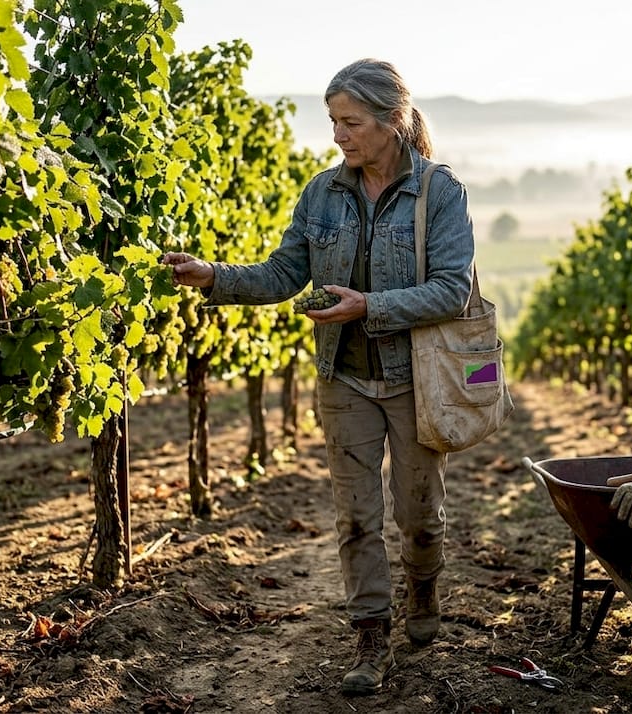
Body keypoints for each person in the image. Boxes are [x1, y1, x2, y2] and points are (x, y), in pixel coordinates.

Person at [162, 58, 475, 697]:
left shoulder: (439, 192)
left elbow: (452, 291)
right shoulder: (321, 193)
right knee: (355, 516)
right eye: (333, 122)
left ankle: (423, 584)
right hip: (342, 378)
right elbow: (284, 274)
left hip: (414, 378)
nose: (339, 136)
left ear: (393, 121)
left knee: (418, 513)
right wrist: (215, 276)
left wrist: (371, 306)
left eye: (351, 122)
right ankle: (369, 636)